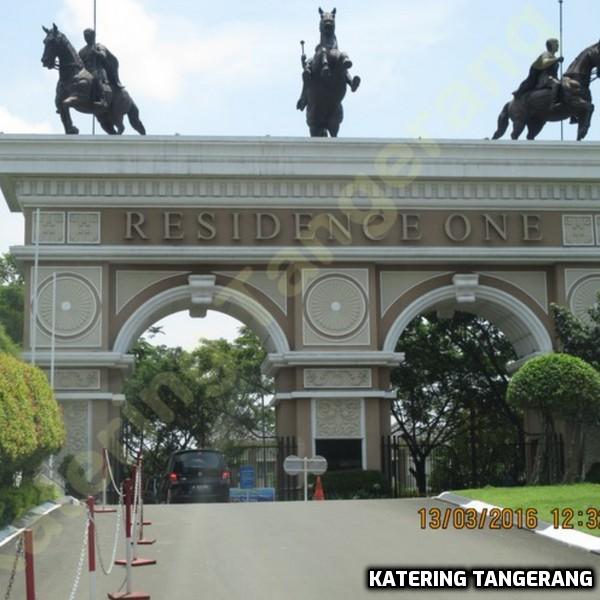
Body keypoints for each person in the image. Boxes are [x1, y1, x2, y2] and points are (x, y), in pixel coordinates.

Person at [78, 28, 123, 110]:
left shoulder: (98, 46)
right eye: (85, 36)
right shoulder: (82, 51)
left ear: (93, 36)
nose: (86, 38)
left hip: (98, 70)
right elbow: (79, 62)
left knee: (95, 77)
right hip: (86, 71)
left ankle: (103, 99)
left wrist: (97, 53)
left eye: (88, 36)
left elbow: (103, 56)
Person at [513, 38, 563, 107]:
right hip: (541, 75)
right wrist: (556, 59)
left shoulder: (554, 58)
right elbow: (545, 63)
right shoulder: (546, 54)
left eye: (558, 44)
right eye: (556, 44)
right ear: (551, 45)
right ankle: (553, 104)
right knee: (554, 84)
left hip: (550, 77)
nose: (558, 46)